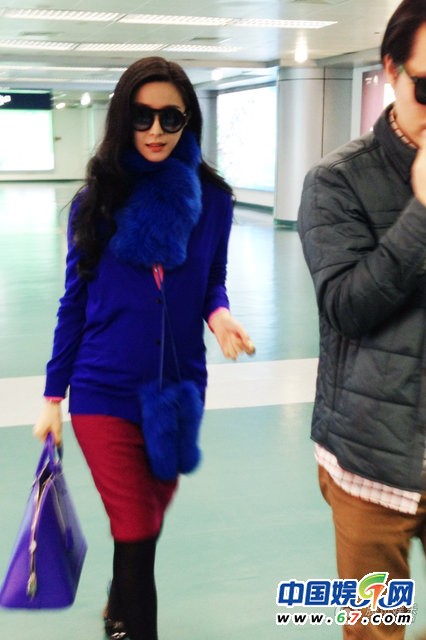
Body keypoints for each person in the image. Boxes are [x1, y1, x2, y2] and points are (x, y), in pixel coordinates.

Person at [33, 56, 254, 640]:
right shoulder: (97, 201)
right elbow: (74, 303)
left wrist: (219, 314)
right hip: (103, 390)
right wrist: (53, 397)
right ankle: (132, 626)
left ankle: (118, 600)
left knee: (145, 524)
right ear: (122, 118)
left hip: (176, 391)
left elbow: (212, 279)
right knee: (135, 526)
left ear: (188, 121)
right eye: (142, 116)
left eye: (170, 117)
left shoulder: (214, 201)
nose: (156, 130)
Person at [298, 1, 426, 638]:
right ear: (391, 70)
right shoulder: (336, 182)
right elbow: (348, 306)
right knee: (376, 629)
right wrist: (423, 212)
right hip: (373, 465)